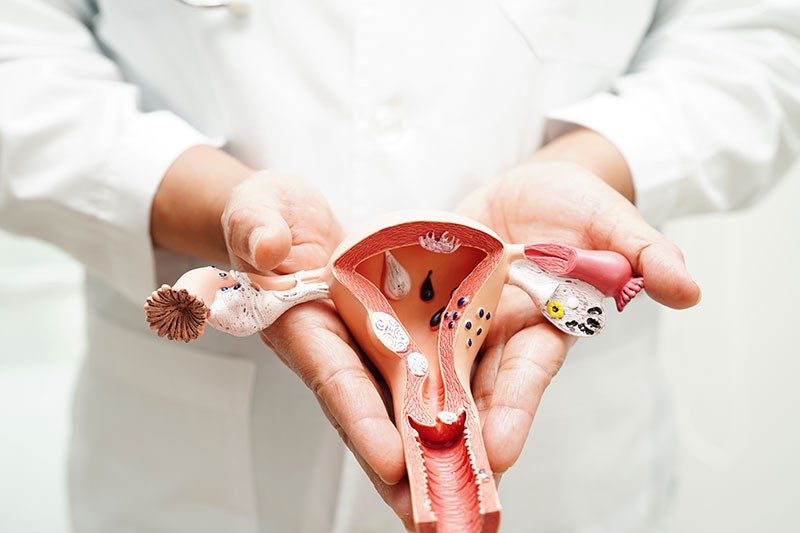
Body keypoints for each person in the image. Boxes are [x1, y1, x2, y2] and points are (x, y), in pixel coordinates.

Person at [1, 1, 798, 531]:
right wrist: (200, 198)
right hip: (189, 477)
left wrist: (604, 163)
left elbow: (754, 42)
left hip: (575, 464)